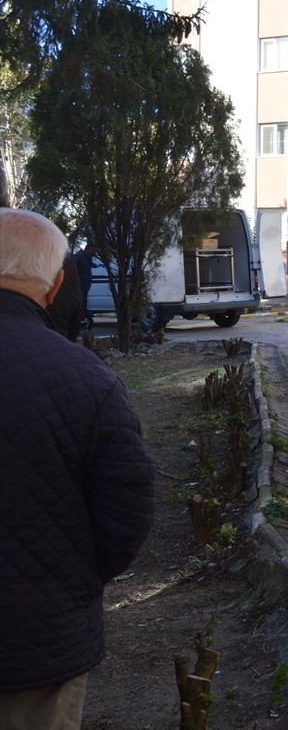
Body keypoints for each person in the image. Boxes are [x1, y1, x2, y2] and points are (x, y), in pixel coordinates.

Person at [0, 208, 155, 729]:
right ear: (55, 285)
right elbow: (126, 510)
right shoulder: (87, 379)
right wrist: (69, 582)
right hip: (39, 641)